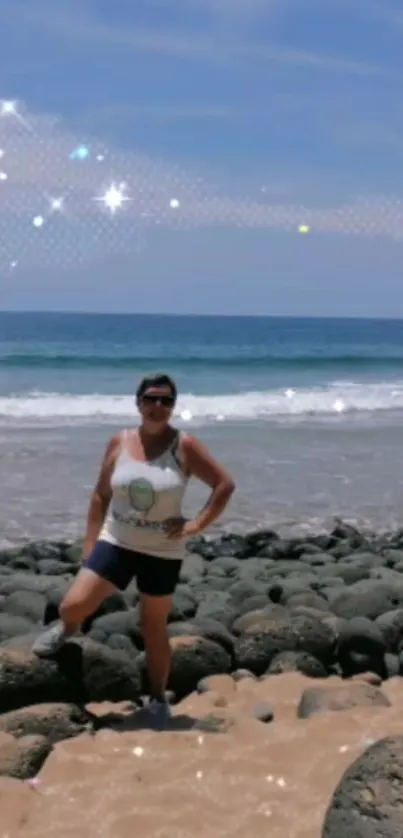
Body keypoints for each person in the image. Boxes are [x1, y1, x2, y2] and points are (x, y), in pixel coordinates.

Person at [33, 373, 235, 722]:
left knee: (152, 625)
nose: (158, 406)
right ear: (138, 402)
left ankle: (158, 699)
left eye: (166, 400)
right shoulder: (120, 442)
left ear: (173, 406)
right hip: (118, 542)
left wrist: (196, 525)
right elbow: (101, 494)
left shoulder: (184, 446)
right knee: (72, 606)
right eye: (151, 399)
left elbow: (224, 485)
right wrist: (90, 544)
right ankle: (69, 629)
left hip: (162, 552)